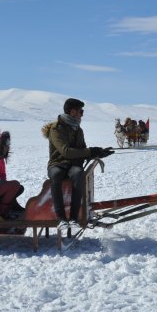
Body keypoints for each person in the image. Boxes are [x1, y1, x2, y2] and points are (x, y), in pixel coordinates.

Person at [42, 98, 114, 232]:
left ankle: (74, 218)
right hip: (57, 163)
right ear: (73, 112)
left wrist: (98, 152)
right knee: (56, 175)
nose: (82, 114)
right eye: (81, 111)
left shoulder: (78, 130)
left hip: (74, 164)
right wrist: (90, 151)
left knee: (78, 174)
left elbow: (82, 150)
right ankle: (61, 219)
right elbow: (66, 152)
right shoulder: (56, 129)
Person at [0, 128, 25, 213]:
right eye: (7, 143)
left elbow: (3, 174)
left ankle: (11, 207)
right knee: (15, 185)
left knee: (19, 188)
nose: (8, 145)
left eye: (9, 143)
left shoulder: (1, 156)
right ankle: (2, 211)